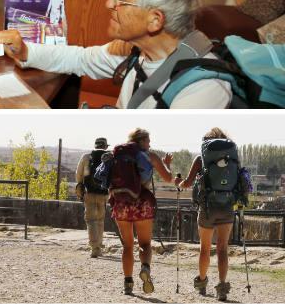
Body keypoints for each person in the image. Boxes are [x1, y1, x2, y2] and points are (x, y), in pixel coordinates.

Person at [0, 0, 233, 109]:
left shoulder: (202, 93)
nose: (108, 3)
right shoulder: (135, 51)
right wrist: (25, 51)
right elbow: (81, 58)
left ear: (155, 20)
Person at [175, 127, 245, 301]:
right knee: (222, 249)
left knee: (204, 249)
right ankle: (222, 287)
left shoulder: (201, 157)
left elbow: (187, 183)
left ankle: (202, 282)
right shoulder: (233, 157)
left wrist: (178, 182)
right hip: (228, 206)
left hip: (207, 208)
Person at [109, 128, 174, 295]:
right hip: (142, 202)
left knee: (128, 246)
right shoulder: (149, 156)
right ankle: (145, 267)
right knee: (145, 244)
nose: (150, 143)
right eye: (148, 140)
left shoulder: (118, 154)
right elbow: (168, 178)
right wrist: (167, 165)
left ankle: (128, 283)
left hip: (121, 203)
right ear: (141, 141)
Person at [75, 137, 110, 258]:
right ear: (105, 146)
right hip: (104, 194)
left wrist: (80, 186)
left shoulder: (86, 157)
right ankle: (99, 246)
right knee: (100, 220)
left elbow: (78, 174)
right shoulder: (110, 157)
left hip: (89, 193)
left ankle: (94, 248)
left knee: (91, 221)